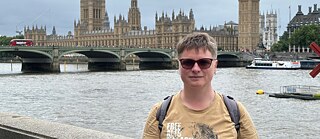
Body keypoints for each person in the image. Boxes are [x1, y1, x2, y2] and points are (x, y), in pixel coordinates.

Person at [143, 32, 258, 139]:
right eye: (187, 62)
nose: (196, 69)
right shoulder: (160, 113)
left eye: (204, 62)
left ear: (215, 66)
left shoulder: (236, 112)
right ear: (179, 65)